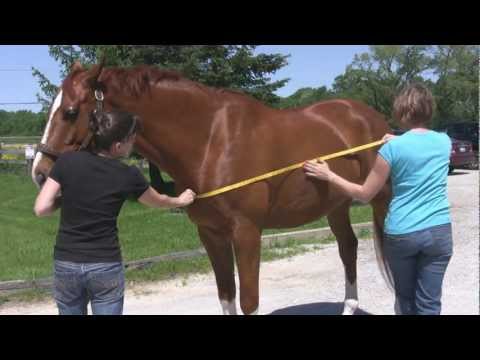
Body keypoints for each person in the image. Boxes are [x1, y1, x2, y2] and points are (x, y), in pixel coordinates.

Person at [303, 83, 452, 315]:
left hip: (404, 233)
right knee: (430, 302)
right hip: (440, 232)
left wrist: (329, 175)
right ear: (429, 111)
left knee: (405, 299)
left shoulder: (391, 150)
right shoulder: (445, 142)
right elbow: (420, 144)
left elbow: (364, 194)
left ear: (401, 112)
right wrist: (400, 140)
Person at [34, 110, 196, 315]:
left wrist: (67, 197)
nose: (134, 144)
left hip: (66, 263)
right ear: (118, 146)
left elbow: (41, 208)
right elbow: (157, 201)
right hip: (104, 264)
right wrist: (180, 200)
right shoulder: (128, 175)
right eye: (132, 140)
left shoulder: (67, 161)